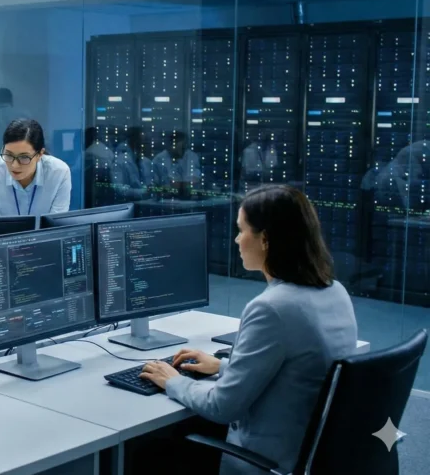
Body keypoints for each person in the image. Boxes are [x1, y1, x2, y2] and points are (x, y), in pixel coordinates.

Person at [139, 184, 358, 475]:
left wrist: (172, 381)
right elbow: (293, 376)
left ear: (265, 239)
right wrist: (223, 366)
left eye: (242, 230)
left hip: (265, 462)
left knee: (148, 453)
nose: (236, 239)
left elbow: (221, 407)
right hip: (312, 452)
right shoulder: (334, 291)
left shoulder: (271, 308)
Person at [0, 118, 71, 217]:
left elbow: (57, 225)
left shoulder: (59, 173)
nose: (14, 165)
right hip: (5, 233)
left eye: (24, 157)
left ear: (40, 154)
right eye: (8, 155)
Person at [151, 130, 201, 196]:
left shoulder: (191, 156)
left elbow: (195, 180)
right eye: (182, 147)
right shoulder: (158, 160)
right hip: (165, 200)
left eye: (185, 146)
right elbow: (154, 186)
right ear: (172, 144)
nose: (184, 149)